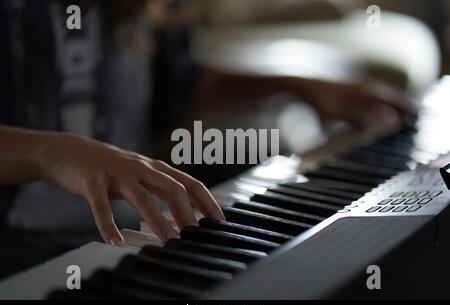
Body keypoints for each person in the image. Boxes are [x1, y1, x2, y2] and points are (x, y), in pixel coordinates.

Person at [0, 0, 411, 254]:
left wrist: (300, 86)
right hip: (20, 249)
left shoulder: (141, 8)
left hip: (124, 240)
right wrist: (49, 152)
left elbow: (177, 87)